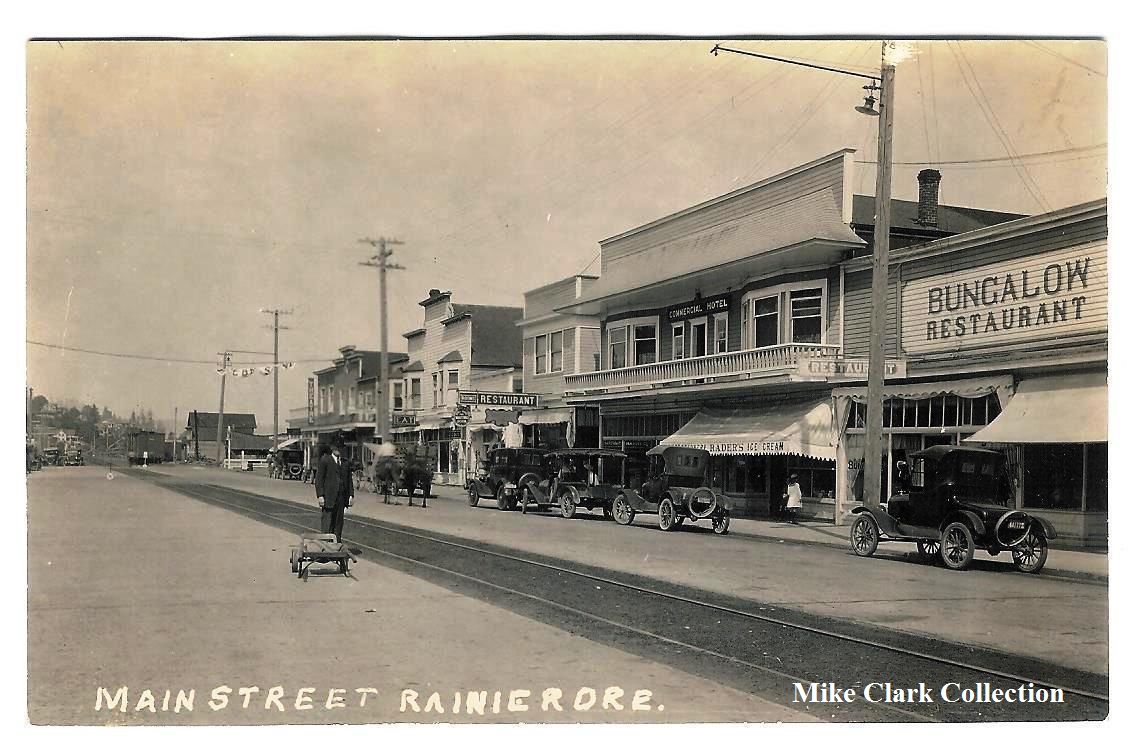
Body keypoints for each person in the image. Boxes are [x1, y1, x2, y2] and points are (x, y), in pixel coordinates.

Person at [315, 441, 354, 542]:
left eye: (340, 448)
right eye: (336, 448)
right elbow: (319, 479)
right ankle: (325, 546)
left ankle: (336, 544)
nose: (338, 450)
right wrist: (320, 495)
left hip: (341, 498)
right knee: (327, 522)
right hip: (328, 497)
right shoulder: (325, 460)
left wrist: (350, 495)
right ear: (332, 449)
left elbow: (349, 481)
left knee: (338, 523)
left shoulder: (345, 463)